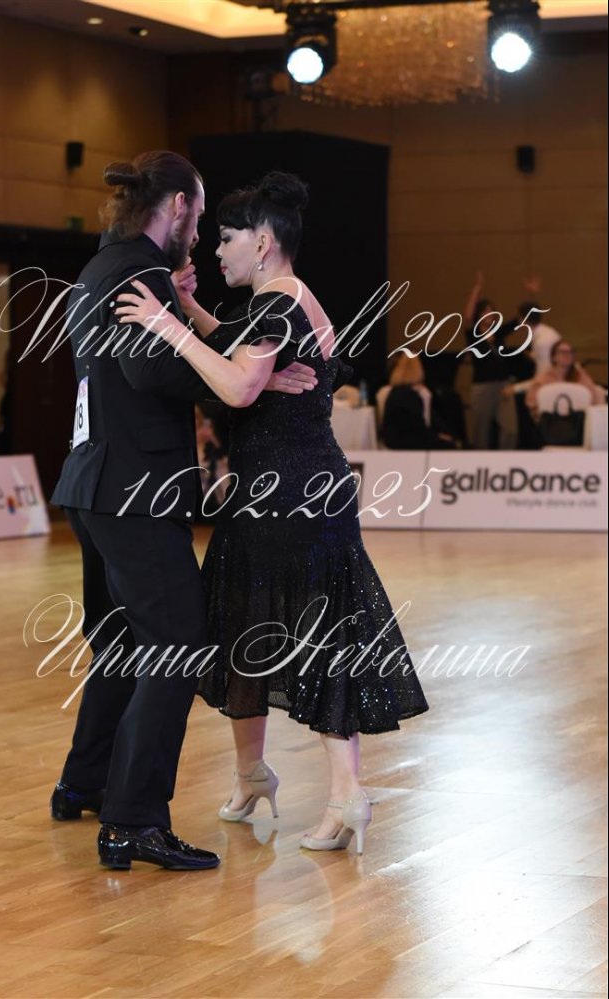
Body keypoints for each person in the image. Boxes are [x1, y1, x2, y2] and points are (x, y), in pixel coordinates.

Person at [115, 172, 429, 855]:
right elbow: (236, 347)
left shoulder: (277, 306)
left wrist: (166, 323)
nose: (215, 250)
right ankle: (254, 774)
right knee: (246, 625)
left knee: (310, 633)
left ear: (261, 242)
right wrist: (192, 312)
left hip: (289, 496)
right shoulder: (285, 299)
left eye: (226, 238)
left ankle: (346, 795)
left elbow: (235, 384)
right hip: (282, 490)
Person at [49, 151, 316, 872]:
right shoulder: (142, 274)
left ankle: (85, 783)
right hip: (134, 491)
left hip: (93, 485)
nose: (198, 237)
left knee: (123, 644)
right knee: (178, 645)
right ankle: (133, 819)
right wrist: (249, 378)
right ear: (175, 207)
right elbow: (151, 370)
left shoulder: (102, 266)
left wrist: (196, 326)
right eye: (197, 219)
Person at [463, 272, 517, 449]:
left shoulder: (498, 332)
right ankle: (480, 462)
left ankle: (506, 461)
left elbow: (519, 320)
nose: (489, 314)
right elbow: (467, 317)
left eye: (492, 310)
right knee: (482, 431)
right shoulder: (473, 334)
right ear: (479, 314)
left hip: (503, 385)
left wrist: (531, 295)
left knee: (510, 430)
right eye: (485, 310)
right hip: (482, 386)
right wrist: (477, 288)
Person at [379, 354, 456, 449]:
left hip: (392, 442)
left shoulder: (388, 393)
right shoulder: (417, 395)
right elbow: (419, 430)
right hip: (410, 443)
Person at [525, 340, 606, 417]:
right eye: (562, 352)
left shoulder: (580, 376)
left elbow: (594, 398)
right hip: (551, 420)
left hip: (578, 419)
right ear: (553, 357)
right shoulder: (543, 378)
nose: (567, 355)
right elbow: (531, 403)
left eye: (570, 352)